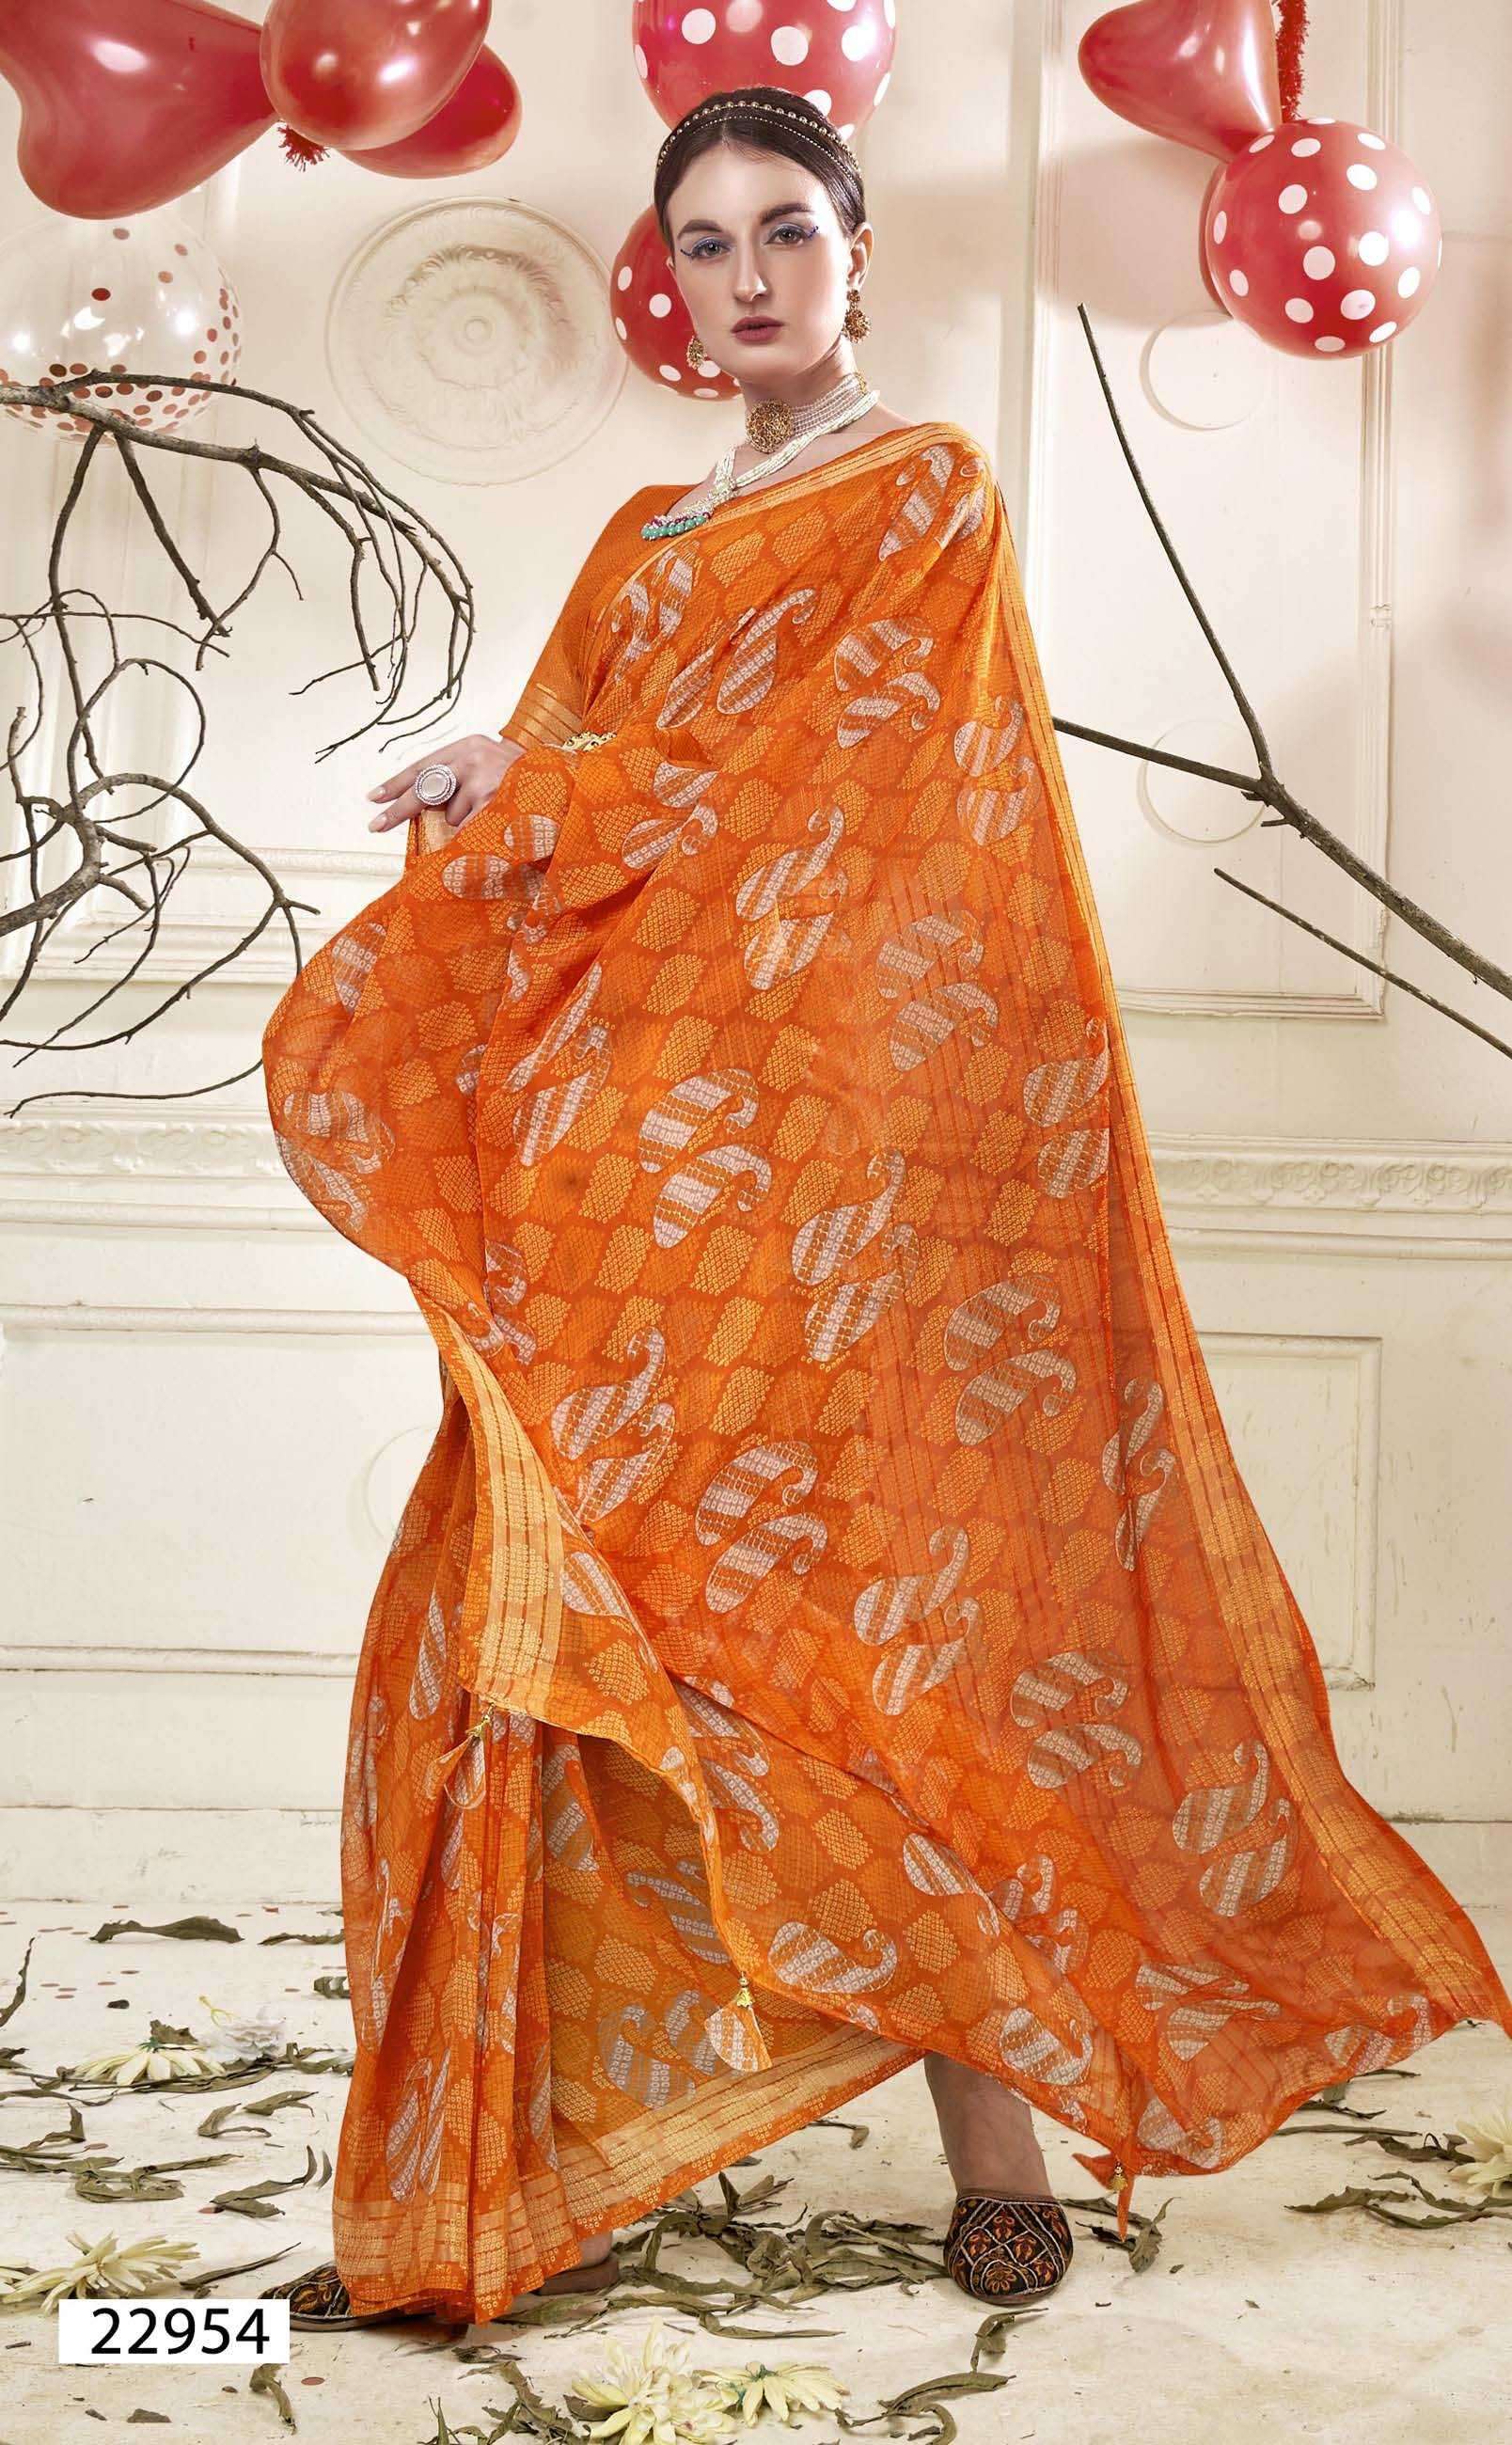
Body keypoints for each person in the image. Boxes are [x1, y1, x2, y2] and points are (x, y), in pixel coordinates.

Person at [259, 87, 1512, 2331]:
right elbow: (582, 843)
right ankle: (510, 2157)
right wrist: (506, 800)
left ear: (857, 256)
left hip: (860, 1163)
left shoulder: (923, 496)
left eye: (787, 232)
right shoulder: (642, 538)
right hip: (648, 1183)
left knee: (891, 1634)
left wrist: (544, 786)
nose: (749, 276)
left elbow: (826, 788)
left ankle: (995, 2150)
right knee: (568, 1608)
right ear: (673, 276)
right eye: (707, 240)